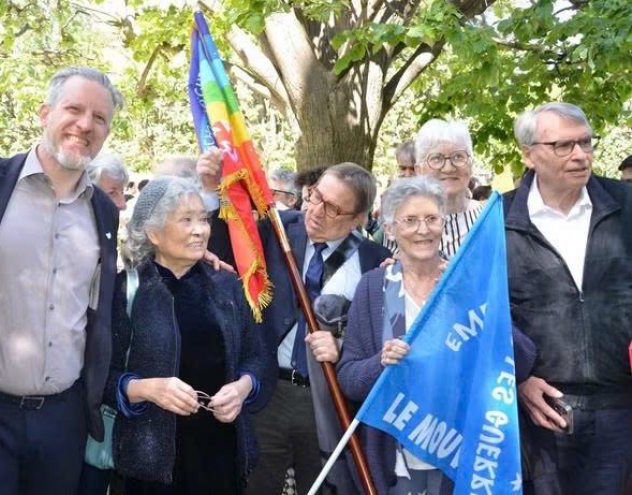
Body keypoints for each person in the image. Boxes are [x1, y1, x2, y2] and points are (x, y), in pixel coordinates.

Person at [0, 67, 122, 495]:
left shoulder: (104, 211)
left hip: (62, 420)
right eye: (74, 109)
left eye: (100, 118)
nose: (85, 124)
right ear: (44, 113)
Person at [337, 176, 537, 494]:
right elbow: (349, 378)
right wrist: (381, 362)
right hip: (396, 458)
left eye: (431, 218)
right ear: (389, 229)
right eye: (411, 220)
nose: (423, 229)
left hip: (465, 458)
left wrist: (472, 297)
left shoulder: (465, 284)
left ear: (443, 223)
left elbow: (522, 360)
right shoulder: (376, 288)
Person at [104, 176, 274, 494]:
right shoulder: (126, 290)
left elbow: (257, 356)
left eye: (203, 219)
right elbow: (99, 376)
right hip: (150, 462)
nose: (200, 230)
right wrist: (145, 388)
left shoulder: (225, 285)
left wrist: (241, 389)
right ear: (153, 232)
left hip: (221, 454)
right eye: (186, 220)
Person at [505, 102, 632, 494]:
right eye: (563, 146)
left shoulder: (626, 206)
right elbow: (487, 312)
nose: (580, 155)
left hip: (619, 406)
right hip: (539, 412)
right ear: (529, 155)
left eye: (585, 143)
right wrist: (519, 378)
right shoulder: (499, 220)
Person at [242, 163, 392, 495]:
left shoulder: (375, 262)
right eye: (315, 196)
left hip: (326, 399)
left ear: (358, 218)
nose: (317, 211)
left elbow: (379, 342)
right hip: (268, 393)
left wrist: (339, 344)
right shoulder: (275, 230)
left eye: (334, 209)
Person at [384, 119, 483, 258]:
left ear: (471, 164)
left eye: (458, 156)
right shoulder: (401, 222)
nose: (448, 168)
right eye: (436, 158)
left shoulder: (490, 217)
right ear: (419, 169)